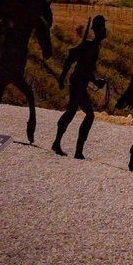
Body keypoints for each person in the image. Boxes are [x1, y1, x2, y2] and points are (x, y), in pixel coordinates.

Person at [53, 15, 107, 159]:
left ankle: (63, 145)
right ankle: (70, 148)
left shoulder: (93, 47)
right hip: (78, 84)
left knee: (77, 113)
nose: (105, 30)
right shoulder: (90, 46)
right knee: (79, 113)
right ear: (98, 29)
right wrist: (62, 76)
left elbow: (87, 69)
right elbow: (72, 57)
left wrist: (95, 81)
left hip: (80, 84)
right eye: (103, 27)